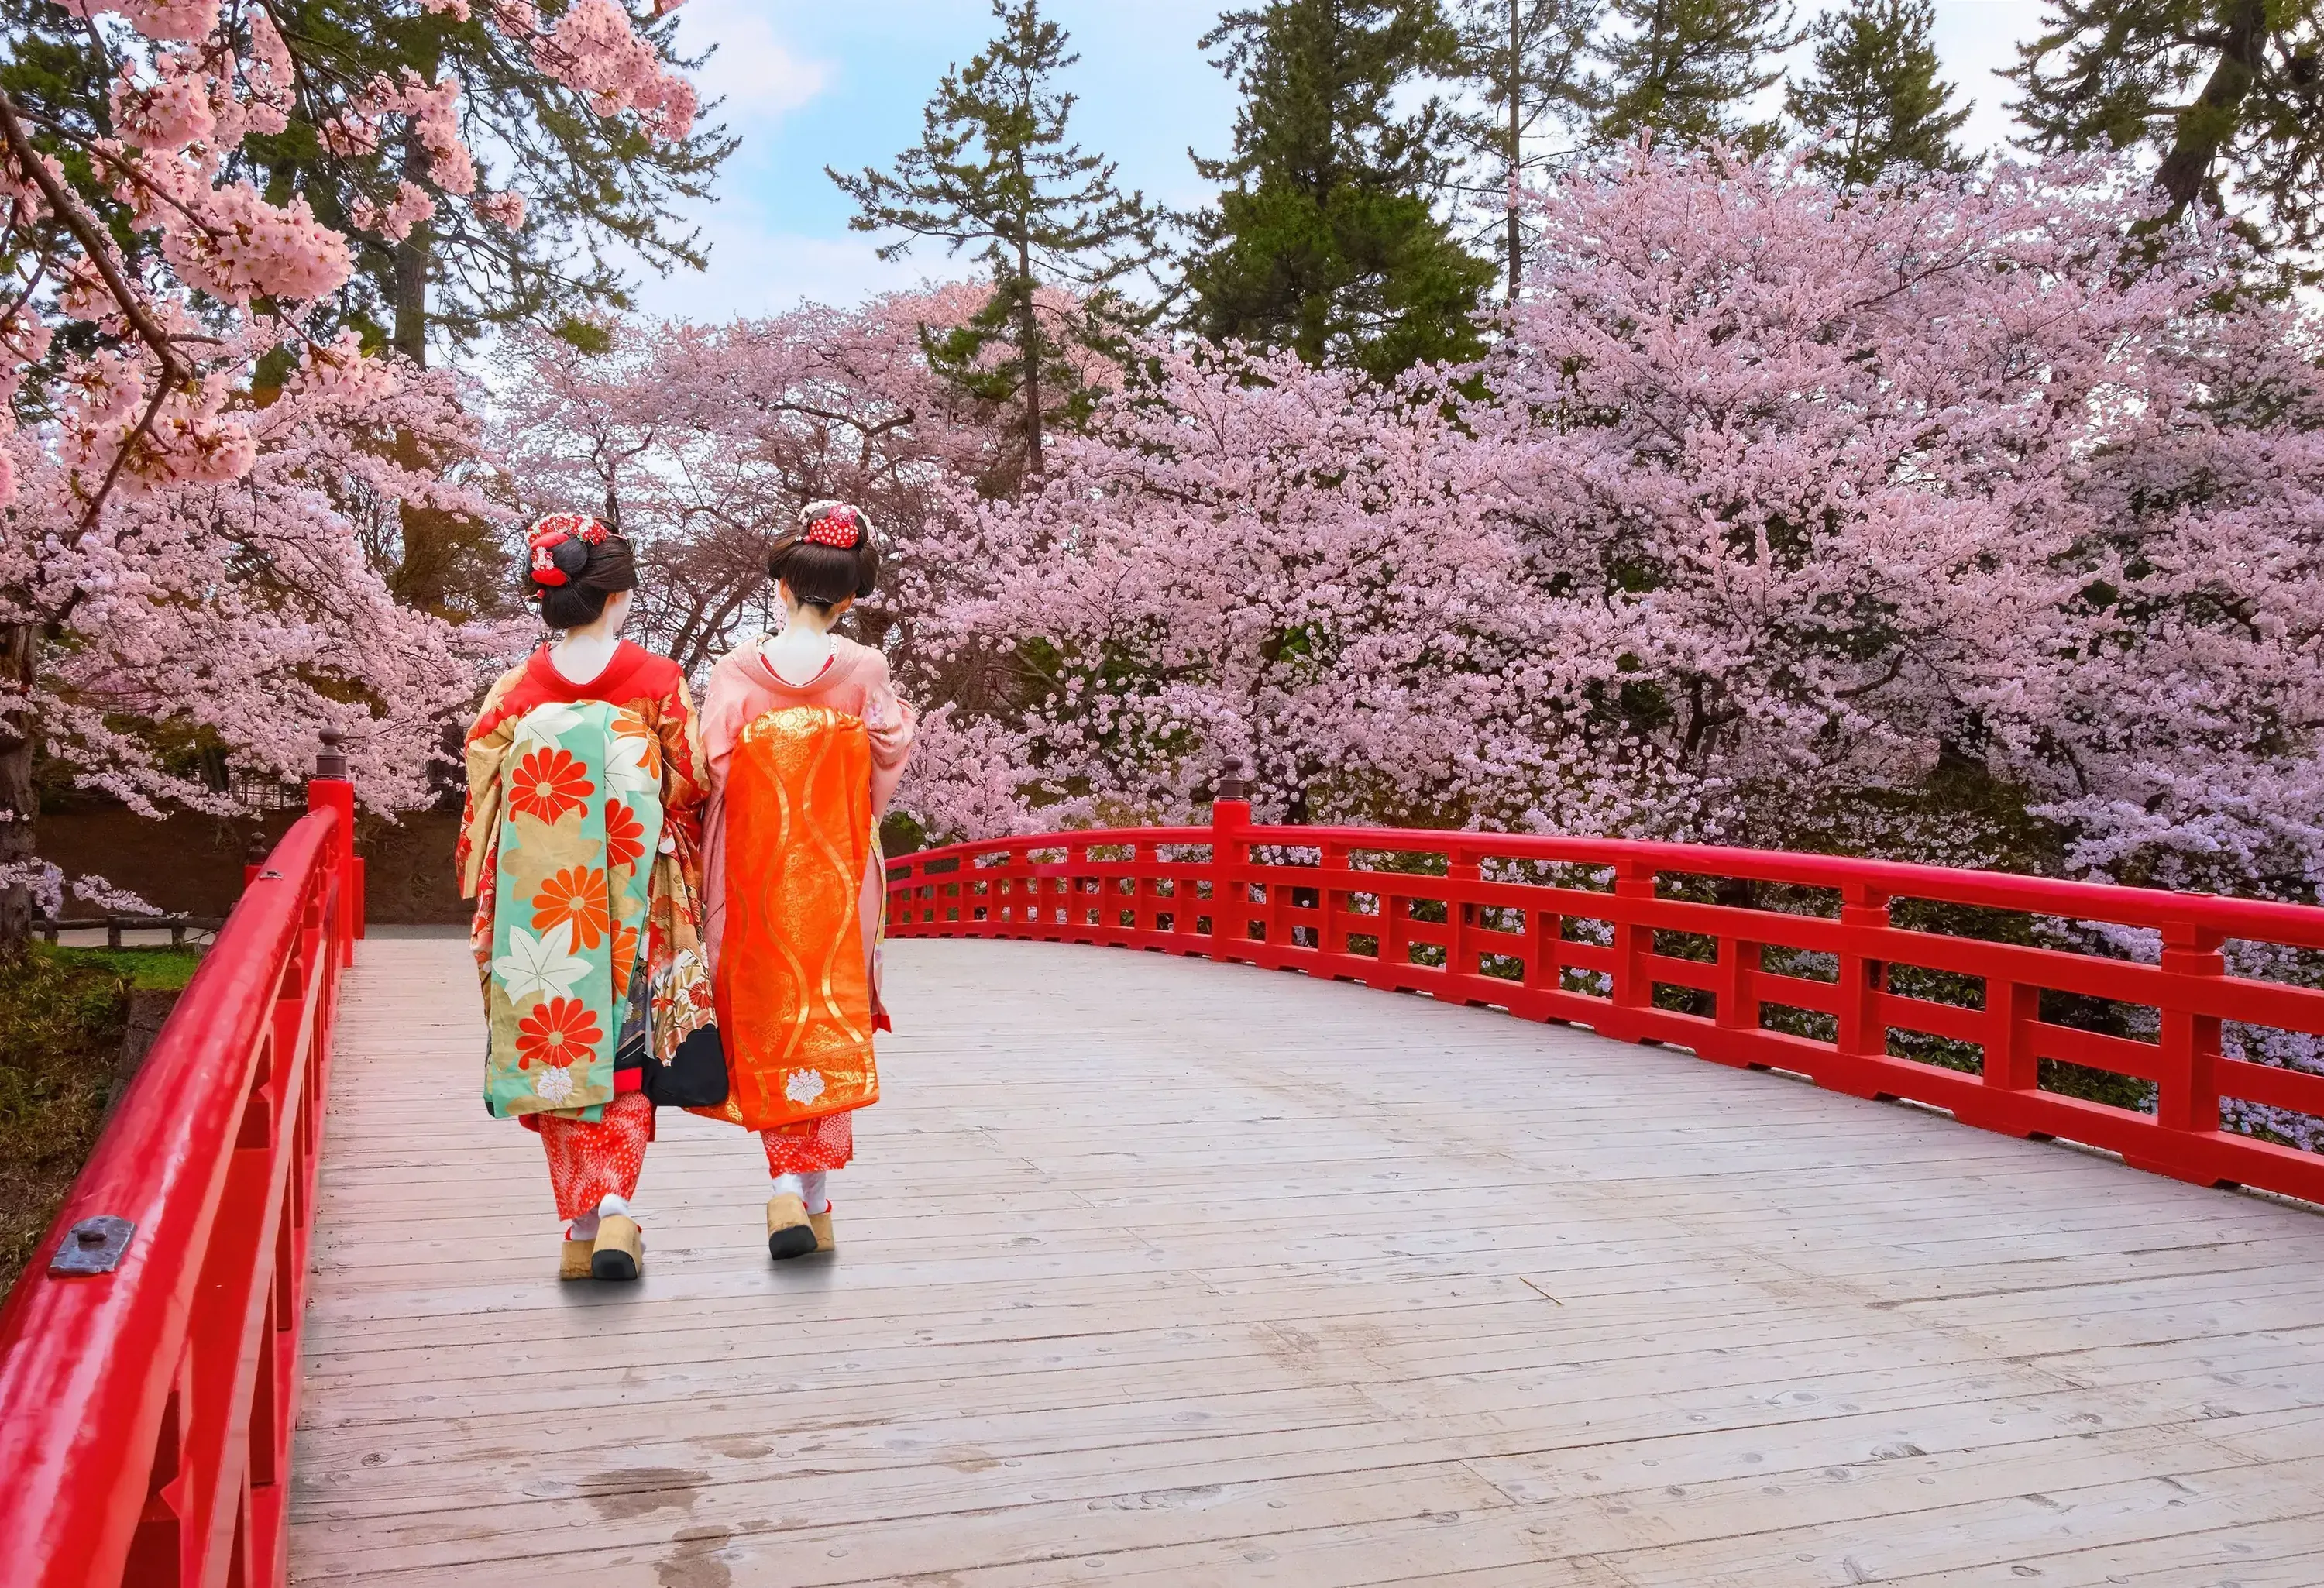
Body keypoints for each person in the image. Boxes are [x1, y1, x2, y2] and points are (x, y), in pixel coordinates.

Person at [455, 514, 717, 1282]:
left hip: (539, 901)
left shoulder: (514, 692)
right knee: (625, 1055)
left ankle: (581, 1221)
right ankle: (614, 1210)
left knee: (556, 1046)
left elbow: (482, 795)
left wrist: (486, 878)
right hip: (632, 897)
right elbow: (694, 782)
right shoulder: (657, 682)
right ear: (617, 598)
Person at [699, 500, 916, 1261]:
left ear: (782, 586)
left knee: (769, 1012)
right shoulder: (864, 668)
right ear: (851, 595)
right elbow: (886, 755)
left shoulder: (735, 669)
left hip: (754, 871)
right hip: (837, 866)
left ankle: (796, 1188)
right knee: (830, 1010)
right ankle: (805, 1190)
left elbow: (712, 768)